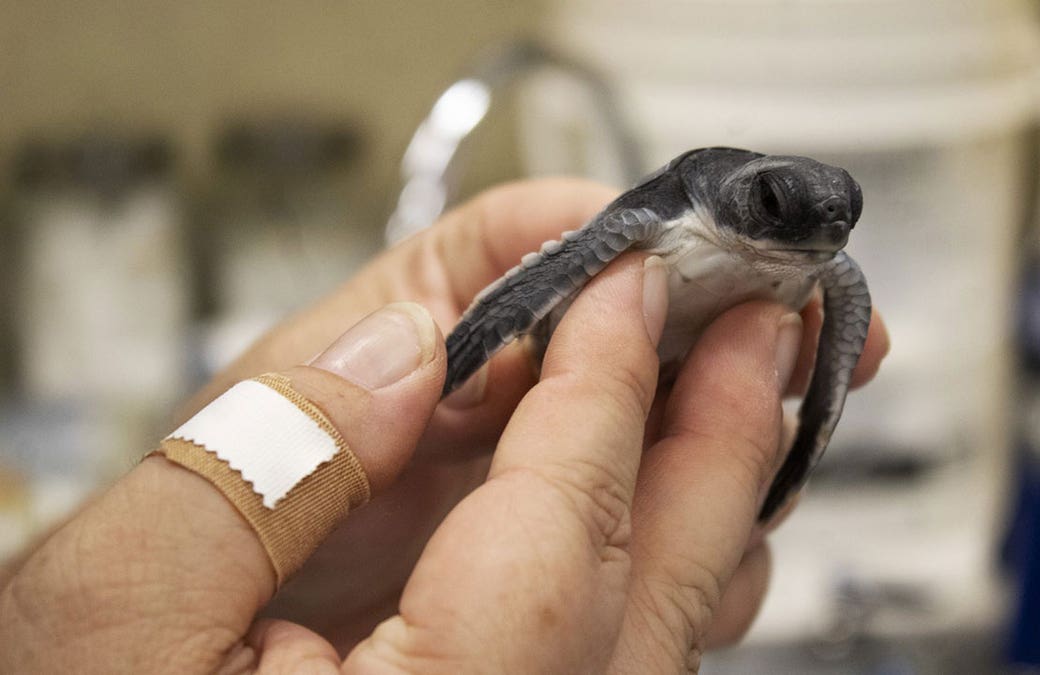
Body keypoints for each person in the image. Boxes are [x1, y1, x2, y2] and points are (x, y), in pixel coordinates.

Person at [0, 179, 888, 673]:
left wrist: (797, 458)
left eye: (835, 228)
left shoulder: (827, 270)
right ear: (740, 198)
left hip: (638, 402)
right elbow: (551, 275)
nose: (817, 242)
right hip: (564, 376)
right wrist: (440, 373)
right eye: (782, 212)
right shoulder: (665, 217)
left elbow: (822, 388)